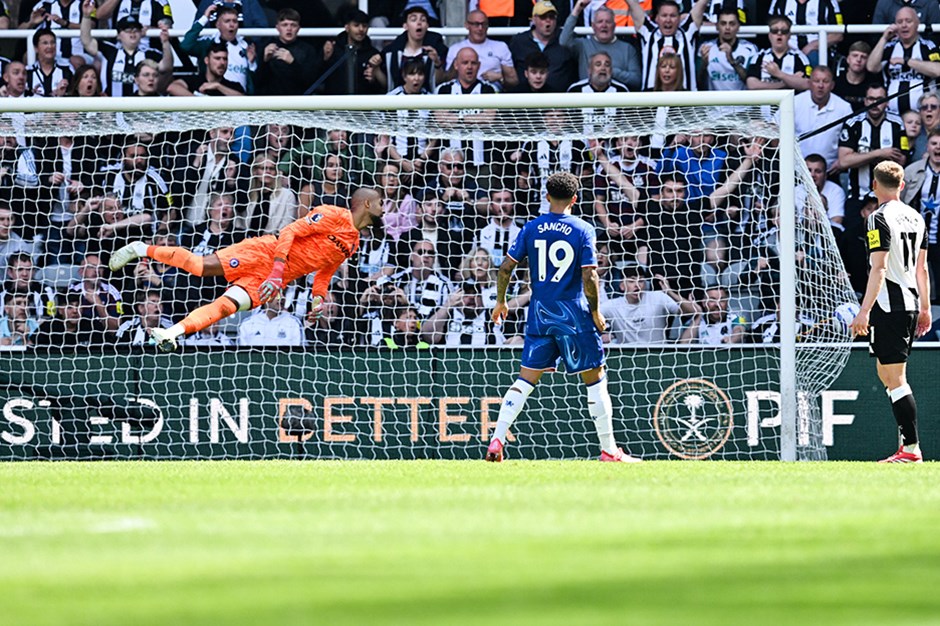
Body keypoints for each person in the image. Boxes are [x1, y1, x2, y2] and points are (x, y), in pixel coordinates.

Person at [486, 171, 641, 463]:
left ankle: (497, 438)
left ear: (547, 197)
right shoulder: (583, 229)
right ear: (575, 199)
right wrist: (595, 311)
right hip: (573, 314)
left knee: (525, 380)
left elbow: (505, 268)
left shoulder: (531, 227)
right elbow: (590, 275)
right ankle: (609, 450)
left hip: (540, 313)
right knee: (596, 379)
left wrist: (501, 301)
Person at [108, 188, 384, 351]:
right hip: (264, 254)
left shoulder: (353, 243)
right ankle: (141, 249)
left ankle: (172, 333)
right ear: (367, 204)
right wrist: (277, 271)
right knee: (200, 267)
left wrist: (318, 299)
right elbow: (289, 232)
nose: (384, 208)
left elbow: (325, 271)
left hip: (274, 279)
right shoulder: (333, 214)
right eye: (381, 202)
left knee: (224, 307)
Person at [849, 160, 931, 463]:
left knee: (895, 378)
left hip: (889, 306)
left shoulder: (878, 218)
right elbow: (922, 269)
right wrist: (925, 307)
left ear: (874, 185)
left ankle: (911, 448)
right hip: (909, 303)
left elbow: (879, 268)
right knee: (887, 374)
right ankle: (906, 447)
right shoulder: (916, 217)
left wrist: (864, 311)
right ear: (902, 185)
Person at [866, 6, 940, 116]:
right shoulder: (889, 48)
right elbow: (871, 67)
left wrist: (907, 61)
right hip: (893, 116)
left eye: (908, 21)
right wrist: (884, 38)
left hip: (923, 117)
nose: (904, 25)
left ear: (917, 23)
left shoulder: (928, 46)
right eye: (899, 22)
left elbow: (938, 70)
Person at [627, 0, 708, 91]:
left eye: (673, 16)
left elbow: (702, 3)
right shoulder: (648, 33)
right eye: (664, 15)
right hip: (651, 97)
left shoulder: (688, 32)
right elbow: (632, 3)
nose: (668, 20)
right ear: (657, 18)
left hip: (686, 97)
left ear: (679, 18)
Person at [560, 0, 641, 90]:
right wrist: (577, 9)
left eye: (608, 22)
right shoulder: (583, 45)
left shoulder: (627, 49)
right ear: (593, 26)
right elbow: (564, 41)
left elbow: (636, 81)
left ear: (614, 26)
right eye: (600, 22)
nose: (604, 25)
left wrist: (611, 71)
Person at [509, 0, 577, 93]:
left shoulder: (566, 40)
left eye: (552, 17)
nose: (548, 20)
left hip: (560, 99)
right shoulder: (519, 41)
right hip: (525, 98)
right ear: (534, 19)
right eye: (543, 17)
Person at [444, 10, 518, 91]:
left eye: (484, 24)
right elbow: (448, 79)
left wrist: (499, 77)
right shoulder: (455, 49)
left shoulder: (501, 47)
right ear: (467, 25)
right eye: (476, 24)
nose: (480, 28)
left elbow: (513, 80)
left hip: (492, 93)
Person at [794, 66, 852, 170]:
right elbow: (775, 129)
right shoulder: (794, 102)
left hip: (830, 171)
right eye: (816, 81)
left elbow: (851, 140)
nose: (820, 85)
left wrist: (841, 161)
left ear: (832, 85)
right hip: (797, 170)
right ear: (809, 83)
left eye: (825, 81)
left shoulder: (844, 108)